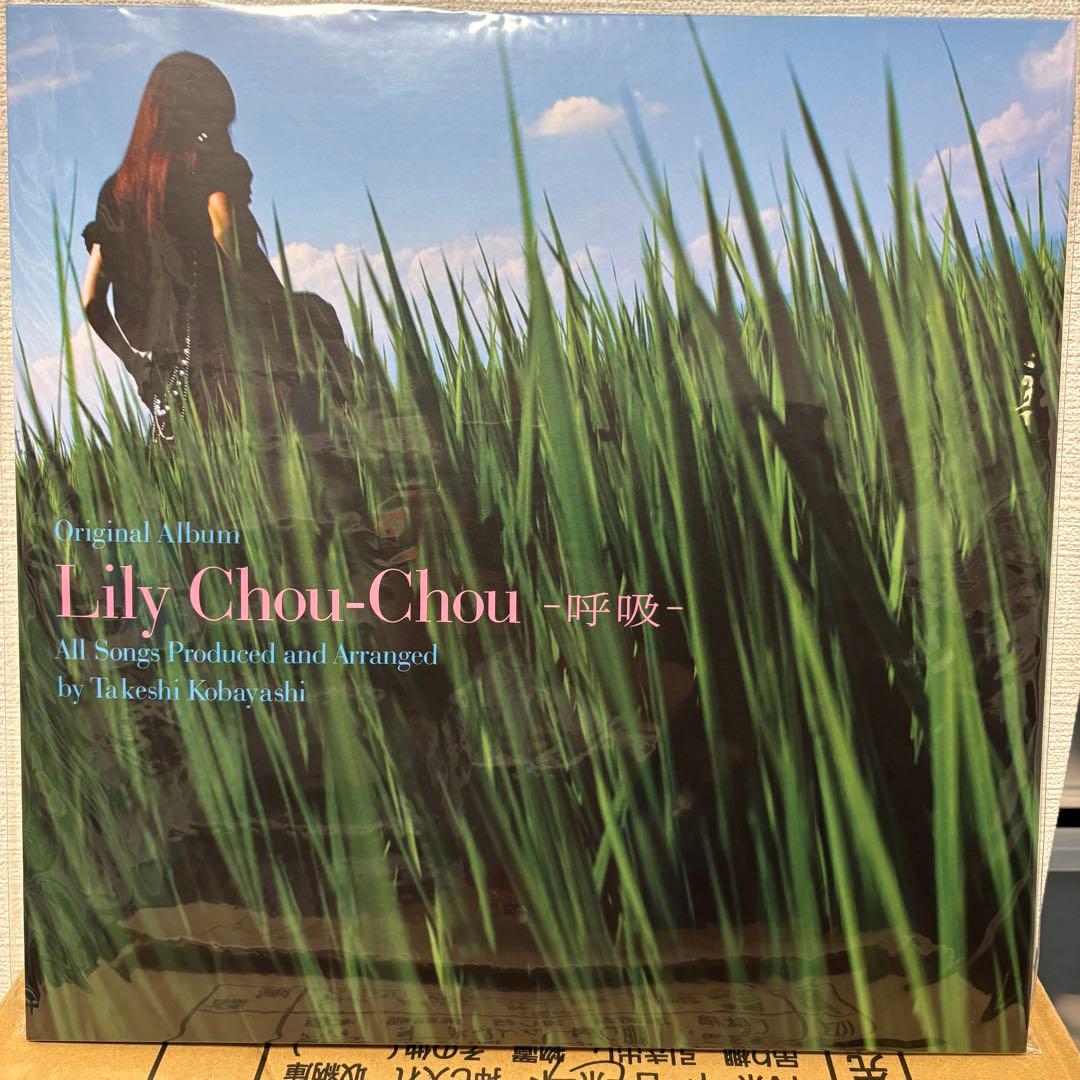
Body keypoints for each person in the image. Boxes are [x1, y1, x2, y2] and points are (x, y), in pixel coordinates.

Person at [80, 50, 354, 443]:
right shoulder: (203, 164)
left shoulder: (117, 192)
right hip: (237, 366)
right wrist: (284, 309)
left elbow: (91, 300)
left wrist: (138, 370)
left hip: (172, 386)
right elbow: (225, 230)